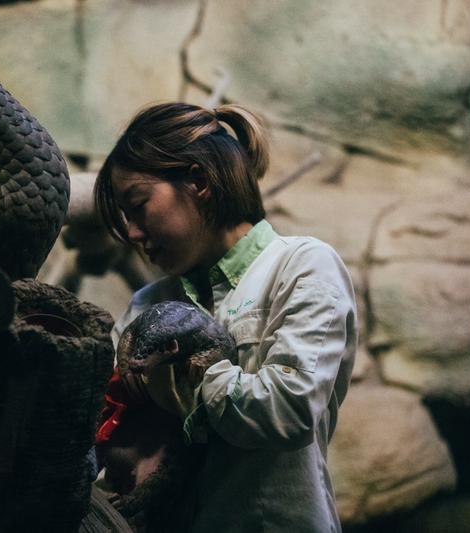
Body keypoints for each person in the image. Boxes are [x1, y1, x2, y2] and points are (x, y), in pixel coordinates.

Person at [93, 102, 357, 532]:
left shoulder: (302, 265)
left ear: (199, 180)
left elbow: (289, 409)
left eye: (138, 205)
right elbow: (111, 433)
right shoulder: (146, 302)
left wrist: (185, 380)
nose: (134, 234)